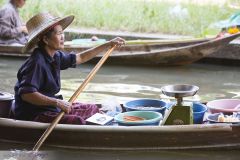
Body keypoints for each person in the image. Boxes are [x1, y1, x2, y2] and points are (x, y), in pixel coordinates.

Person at [14, 12, 125, 124]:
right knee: (78, 121)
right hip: (34, 114)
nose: (63, 37)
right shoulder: (36, 62)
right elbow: (27, 94)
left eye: (63, 32)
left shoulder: (55, 56)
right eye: (59, 33)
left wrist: (107, 44)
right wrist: (57, 102)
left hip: (51, 108)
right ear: (46, 40)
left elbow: (80, 57)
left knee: (92, 109)